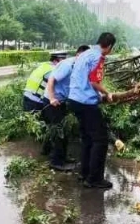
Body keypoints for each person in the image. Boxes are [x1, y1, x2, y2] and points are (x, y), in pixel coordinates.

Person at [67, 32, 116, 189]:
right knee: (100, 140)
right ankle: (94, 179)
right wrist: (107, 93)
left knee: (88, 138)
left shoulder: (86, 53)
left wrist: (97, 95)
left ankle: (84, 173)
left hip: (74, 99)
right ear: (108, 46)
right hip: (85, 102)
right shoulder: (99, 57)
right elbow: (94, 81)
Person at [43, 45, 91, 172]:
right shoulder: (67, 65)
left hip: (62, 101)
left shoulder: (79, 67)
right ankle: (56, 162)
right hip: (52, 102)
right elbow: (51, 80)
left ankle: (63, 158)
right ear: (78, 55)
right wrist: (52, 98)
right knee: (58, 132)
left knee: (64, 130)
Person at [23, 51, 68, 154]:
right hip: (35, 100)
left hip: (28, 97)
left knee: (41, 126)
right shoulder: (53, 70)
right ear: (57, 60)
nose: (64, 62)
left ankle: (44, 150)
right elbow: (55, 84)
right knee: (47, 126)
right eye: (63, 60)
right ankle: (44, 151)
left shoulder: (45, 65)